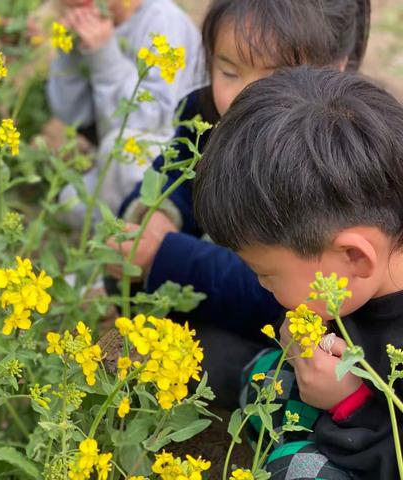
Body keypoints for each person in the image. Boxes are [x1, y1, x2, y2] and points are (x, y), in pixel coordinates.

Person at [108, 0, 371, 408]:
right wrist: (155, 215)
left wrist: (166, 256)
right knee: (127, 277)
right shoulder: (207, 113)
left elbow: (289, 293)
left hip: (298, 324)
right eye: (228, 71)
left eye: (276, 76)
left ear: (336, 67)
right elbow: (171, 177)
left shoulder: (331, 159)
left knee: (215, 359)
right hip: (229, 284)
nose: (243, 95)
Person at [193, 65, 403, 479]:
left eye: (267, 275)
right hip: (351, 413)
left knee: (293, 470)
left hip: (381, 447)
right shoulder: (357, 272)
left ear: (355, 258)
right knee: (264, 378)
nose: (261, 284)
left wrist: (351, 405)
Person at [47, 0, 205, 219]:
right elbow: (74, 114)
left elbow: (150, 119)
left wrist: (104, 54)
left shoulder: (161, 18)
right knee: (69, 201)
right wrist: (69, 50)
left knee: (119, 150)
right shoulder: (99, 23)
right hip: (120, 151)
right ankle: (123, 231)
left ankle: (147, 237)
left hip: (171, 157)